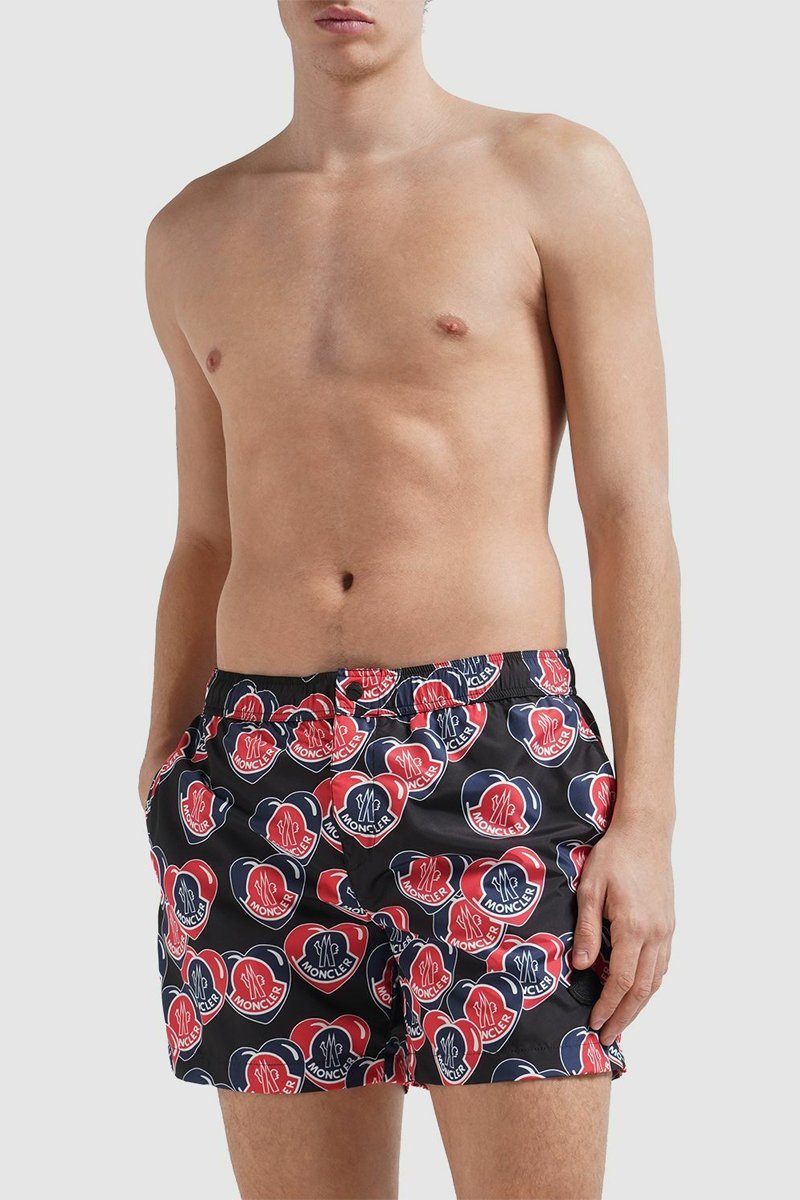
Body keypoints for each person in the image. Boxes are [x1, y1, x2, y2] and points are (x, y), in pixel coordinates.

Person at [139, 2, 679, 1196]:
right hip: (249, 774)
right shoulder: (191, 229)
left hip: (490, 751)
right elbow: (204, 535)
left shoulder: (551, 175)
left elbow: (627, 509)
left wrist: (644, 819)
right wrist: (163, 767)